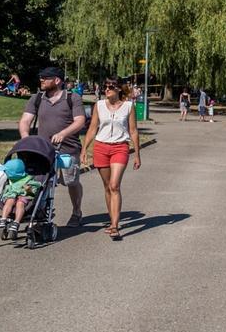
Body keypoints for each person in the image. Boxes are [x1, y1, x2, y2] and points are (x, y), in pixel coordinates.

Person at [19, 67, 87, 227]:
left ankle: (77, 211)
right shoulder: (37, 98)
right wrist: (25, 137)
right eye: (41, 77)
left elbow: (80, 121)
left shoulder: (72, 98)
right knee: (39, 180)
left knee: (70, 181)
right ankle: (37, 210)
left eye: (45, 78)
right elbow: (25, 120)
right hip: (43, 150)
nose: (41, 80)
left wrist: (63, 133)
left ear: (57, 80)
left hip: (68, 149)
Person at [81, 78, 141, 240]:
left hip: (120, 148)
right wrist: (84, 149)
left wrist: (137, 154)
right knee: (107, 187)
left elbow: (133, 131)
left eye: (111, 87)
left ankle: (115, 225)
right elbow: (93, 128)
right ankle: (111, 220)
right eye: (105, 86)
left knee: (114, 185)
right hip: (101, 147)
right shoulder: (99, 105)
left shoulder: (129, 106)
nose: (107, 89)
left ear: (119, 89)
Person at [0, 159, 41, 241]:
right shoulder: (11, 181)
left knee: (20, 203)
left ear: (12, 174)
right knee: (9, 200)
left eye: (6, 171)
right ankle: (3, 219)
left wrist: (25, 189)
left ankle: (16, 222)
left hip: (22, 197)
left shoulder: (27, 180)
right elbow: (7, 190)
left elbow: (30, 193)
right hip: (12, 196)